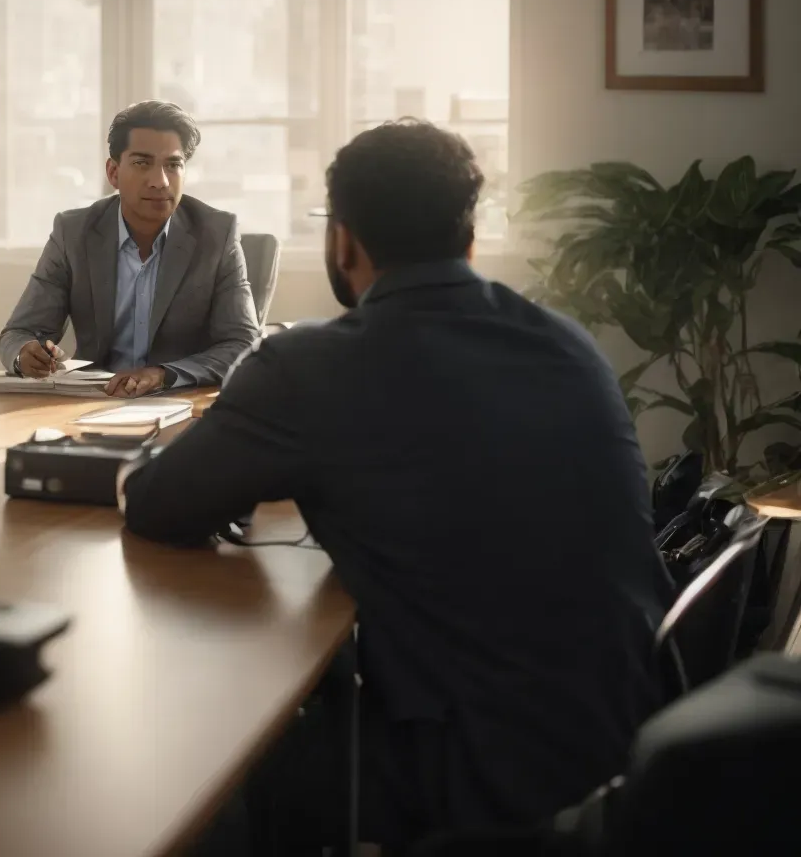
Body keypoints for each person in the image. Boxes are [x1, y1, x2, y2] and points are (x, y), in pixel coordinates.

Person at [122, 121, 673, 849]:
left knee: (201, 767)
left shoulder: (310, 367)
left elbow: (160, 508)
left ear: (342, 243)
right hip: (638, 743)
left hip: (480, 765)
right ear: (468, 238)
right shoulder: (566, 342)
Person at [0, 100, 261, 396]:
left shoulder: (217, 233)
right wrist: (25, 355)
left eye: (173, 165)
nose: (160, 181)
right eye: (142, 163)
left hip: (181, 399)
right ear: (113, 173)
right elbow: (18, 333)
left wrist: (164, 375)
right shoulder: (73, 233)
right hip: (94, 400)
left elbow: (243, 343)